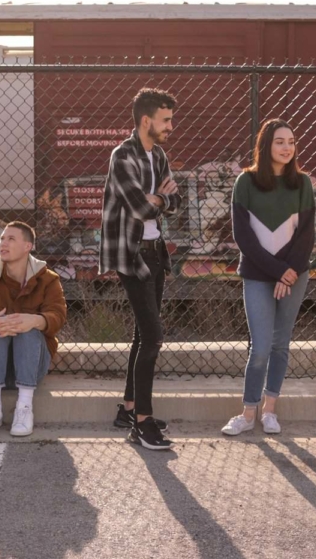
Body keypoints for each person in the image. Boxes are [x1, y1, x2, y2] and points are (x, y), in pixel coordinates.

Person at [221, 119, 315, 437]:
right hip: (259, 276)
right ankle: (248, 413)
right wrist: (278, 272)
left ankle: (270, 411)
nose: (287, 147)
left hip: (294, 275)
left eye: (291, 141)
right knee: (260, 347)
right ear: (266, 146)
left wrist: (288, 275)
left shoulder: (302, 183)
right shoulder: (245, 182)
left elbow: (306, 236)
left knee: (280, 345)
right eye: (279, 141)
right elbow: (243, 238)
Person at [99, 88, 181, 451]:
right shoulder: (123, 156)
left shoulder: (158, 154)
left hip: (156, 252)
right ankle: (142, 425)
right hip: (131, 254)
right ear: (146, 120)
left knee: (142, 335)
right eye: (165, 120)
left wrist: (160, 199)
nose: (170, 126)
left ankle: (129, 409)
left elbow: (174, 202)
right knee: (153, 336)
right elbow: (139, 208)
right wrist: (159, 198)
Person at [0, 222, 67, 437]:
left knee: (28, 329)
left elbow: (58, 314)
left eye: (11, 239)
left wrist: (35, 321)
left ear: (28, 246)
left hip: (31, 369)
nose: (3, 243)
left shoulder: (48, 279)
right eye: (1, 239)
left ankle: (24, 408)